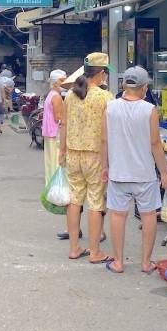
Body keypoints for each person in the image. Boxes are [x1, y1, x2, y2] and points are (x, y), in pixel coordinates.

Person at [101, 66, 167, 274]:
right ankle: (145, 263)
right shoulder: (150, 110)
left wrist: (104, 166)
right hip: (144, 173)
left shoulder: (110, 107)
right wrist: (165, 172)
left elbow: (104, 139)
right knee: (148, 215)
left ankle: (118, 262)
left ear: (124, 85)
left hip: (118, 172)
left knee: (118, 214)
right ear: (144, 87)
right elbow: (155, 143)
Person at [59, 52, 115, 263]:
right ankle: (95, 251)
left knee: (74, 200)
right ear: (100, 74)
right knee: (95, 202)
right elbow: (105, 135)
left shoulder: (72, 95)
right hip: (95, 156)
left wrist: (62, 151)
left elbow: (63, 124)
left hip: (73, 154)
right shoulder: (105, 97)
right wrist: (107, 160)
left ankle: (74, 248)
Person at [43, 69, 67, 184]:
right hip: (55, 132)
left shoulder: (51, 94)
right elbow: (57, 117)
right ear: (57, 82)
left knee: (50, 161)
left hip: (49, 132)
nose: (65, 82)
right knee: (56, 161)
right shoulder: (56, 97)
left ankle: (51, 184)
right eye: (63, 80)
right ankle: (56, 185)